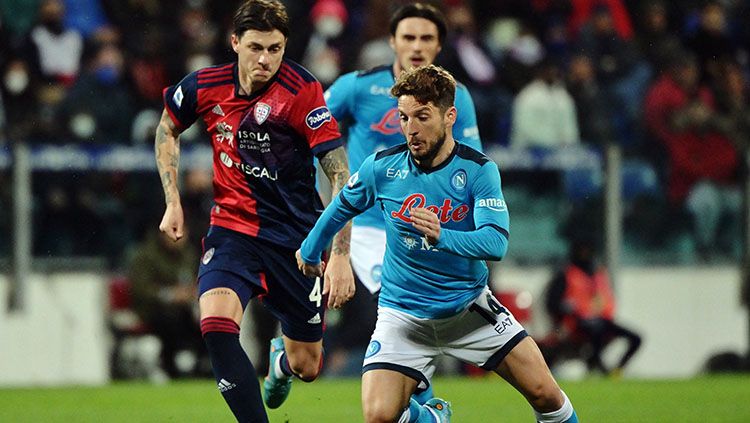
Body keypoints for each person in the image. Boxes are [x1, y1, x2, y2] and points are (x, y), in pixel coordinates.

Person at [298, 65, 578, 423]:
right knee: (378, 416)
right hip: (403, 317)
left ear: (449, 116)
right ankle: (431, 418)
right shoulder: (382, 168)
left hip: (469, 312)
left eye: (422, 116)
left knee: (548, 397)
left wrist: (443, 235)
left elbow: (496, 242)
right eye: (403, 117)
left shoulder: (478, 170)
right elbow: (340, 208)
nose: (411, 128)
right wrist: (309, 250)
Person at [154, 1, 354, 421]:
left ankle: (280, 361)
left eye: (276, 49)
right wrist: (172, 200)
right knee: (215, 325)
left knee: (308, 366)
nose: (265, 59)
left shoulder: (302, 91)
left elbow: (340, 175)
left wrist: (339, 255)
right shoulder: (204, 86)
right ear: (235, 43)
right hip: (233, 231)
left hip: (297, 242)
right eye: (256, 47)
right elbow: (168, 126)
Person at [323, 3, 482, 398]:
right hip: (368, 227)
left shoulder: (457, 98)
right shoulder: (357, 87)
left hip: (424, 227)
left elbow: (473, 168)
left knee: (418, 314)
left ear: (439, 46)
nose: (416, 46)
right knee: (402, 307)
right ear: (392, 41)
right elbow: (309, 130)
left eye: (426, 38)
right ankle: (425, 403)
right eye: (408, 37)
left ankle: (417, 403)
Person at [544, 237, 642, 376]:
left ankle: (616, 371)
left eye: (588, 250)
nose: (585, 254)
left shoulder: (598, 273)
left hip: (601, 320)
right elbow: (552, 303)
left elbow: (606, 298)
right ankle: (596, 366)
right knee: (596, 331)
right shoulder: (566, 274)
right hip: (576, 323)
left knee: (636, 338)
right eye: (582, 250)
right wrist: (566, 311)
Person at [127, 229, 203, 379]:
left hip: (185, 309)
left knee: (204, 320)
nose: (179, 237)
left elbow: (196, 279)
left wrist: (194, 292)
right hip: (152, 310)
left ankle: (200, 364)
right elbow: (141, 289)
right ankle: (172, 364)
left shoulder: (188, 255)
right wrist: (170, 295)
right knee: (171, 320)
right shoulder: (146, 256)